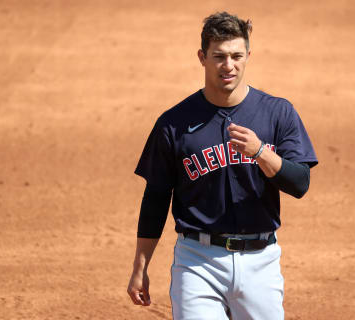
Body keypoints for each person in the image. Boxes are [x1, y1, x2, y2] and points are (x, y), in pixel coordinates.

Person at [127, 11, 318, 320]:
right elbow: (156, 198)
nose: (228, 65)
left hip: (261, 261)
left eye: (236, 56)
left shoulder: (278, 113)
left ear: (248, 56)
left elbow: (300, 183)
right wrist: (141, 267)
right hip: (197, 260)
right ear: (202, 57)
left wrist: (261, 153)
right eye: (219, 56)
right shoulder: (173, 123)